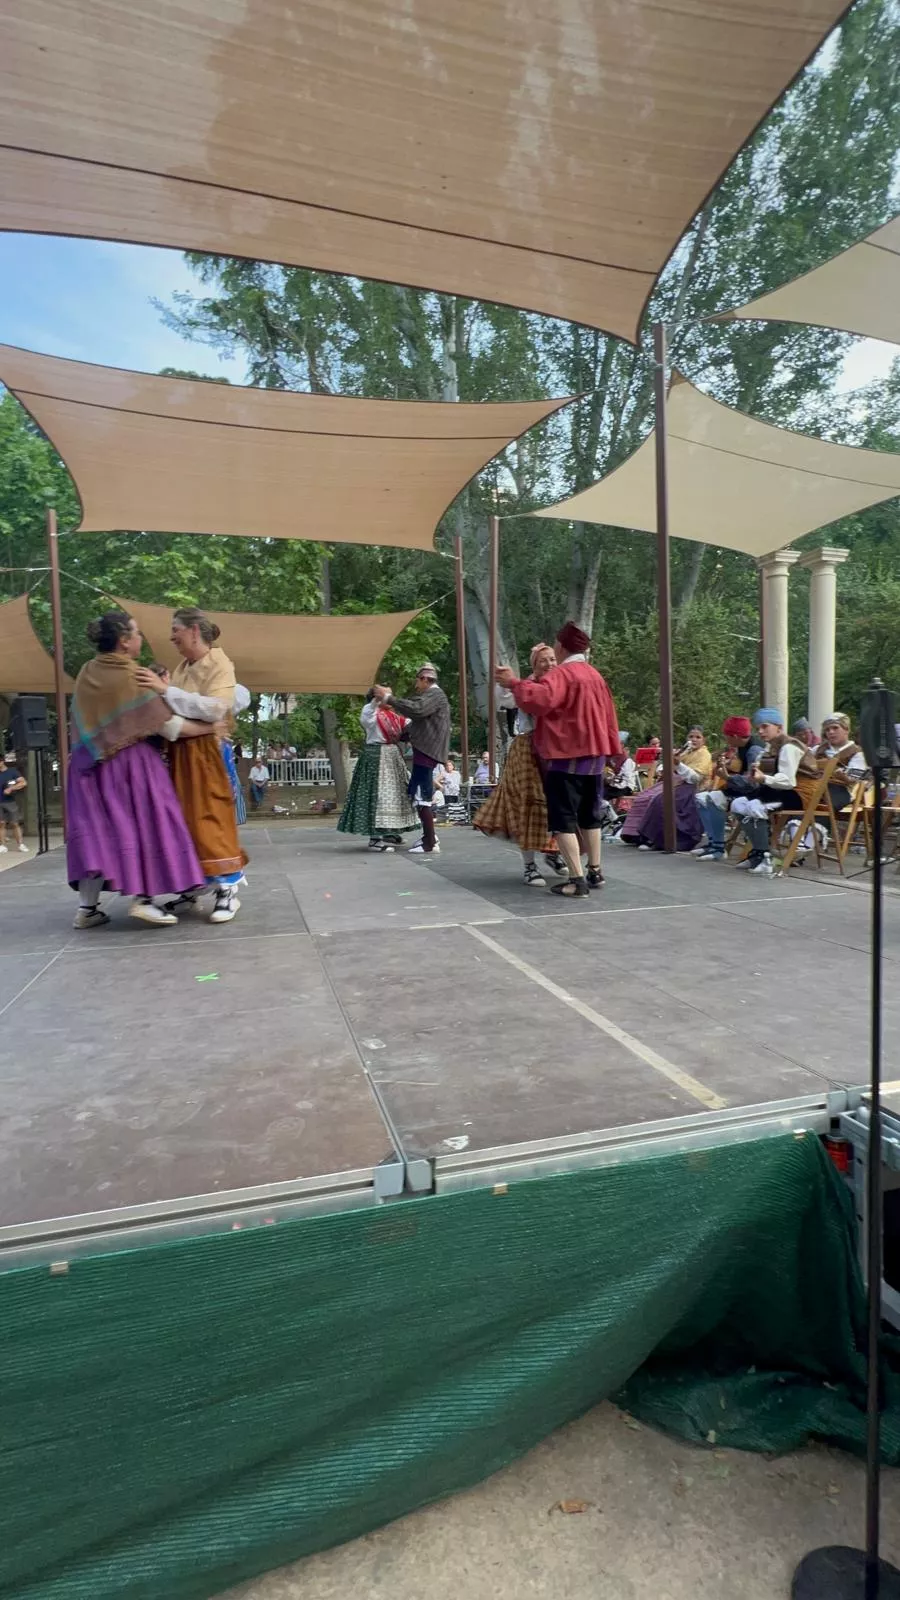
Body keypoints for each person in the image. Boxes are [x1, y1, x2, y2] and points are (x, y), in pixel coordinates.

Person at [65, 611, 212, 928]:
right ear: (124, 640)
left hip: (88, 767)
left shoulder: (87, 671)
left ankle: (87, 910)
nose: (142, 638)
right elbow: (169, 727)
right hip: (131, 766)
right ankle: (143, 899)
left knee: (99, 834)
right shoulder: (133, 675)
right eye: (138, 632)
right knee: (144, 824)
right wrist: (210, 726)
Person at [496, 621, 621, 898]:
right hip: (595, 756)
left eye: (554, 649)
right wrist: (614, 751)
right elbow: (610, 716)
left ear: (561, 647)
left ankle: (576, 881)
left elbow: (540, 700)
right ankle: (595, 870)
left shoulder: (564, 674)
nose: (552, 656)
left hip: (567, 755)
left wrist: (513, 682)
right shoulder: (594, 675)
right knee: (590, 816)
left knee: (562, 818)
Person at [138, 607, 248, 922]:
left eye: (176, 629)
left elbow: (217, 709)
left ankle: (228, 891)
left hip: (206, 754)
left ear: (194, 631)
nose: (171, 635)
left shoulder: (219, 663)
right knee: (183, 822)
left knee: (211, 818)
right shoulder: (185, 666)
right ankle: (192, 888)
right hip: (180, 754)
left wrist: (164, 691)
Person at [475, 643, 568, 886]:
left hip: (557, 749)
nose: (549, 664)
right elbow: (504, 700)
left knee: (558, 804)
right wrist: (504, 681)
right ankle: (529, 866)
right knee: (529, 805)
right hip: (529, 749)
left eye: (551, 659)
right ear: (534, 666)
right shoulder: (527, 686)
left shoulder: (562, 683)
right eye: (542, 661)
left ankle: (553, 851)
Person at [730, 706, 820, 876]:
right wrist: (755, 776)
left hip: (799, 794)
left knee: (755, 807)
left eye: (765, 726)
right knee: (738, 803)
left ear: (779, 727)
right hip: (779, 791)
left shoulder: (789, 747)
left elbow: (788, 781)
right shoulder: (769, 747)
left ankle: (766, 858)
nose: (761, 731)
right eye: (758, 728)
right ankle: (758, 853)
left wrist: (763, 778)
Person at [375, 663, 450, 856]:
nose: (417, 685)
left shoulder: (435, 695)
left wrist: (389, 698)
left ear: (425, 679)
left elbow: (417, 710)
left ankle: (429, 842)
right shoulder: (432, 696)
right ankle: (430, 837)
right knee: (419, 794)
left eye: (418, 680)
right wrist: (401, 734)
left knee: (420, 795)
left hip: (427, 751)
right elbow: (419, 721)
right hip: (425, 750)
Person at [336, 690, 418, 850]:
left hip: (392, 756)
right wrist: (377, 697)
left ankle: (388, 832)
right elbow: (370, 711)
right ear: (376, 699)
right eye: (386, 696)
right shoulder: (370, 713)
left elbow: (410, 723)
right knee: (377, 795)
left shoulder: (392, 716)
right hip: (376, 757)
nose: (390, 699)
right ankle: (375, 838)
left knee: (395, 795)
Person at [620, 726, 713, 852]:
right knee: (644, 796)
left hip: (692, 788)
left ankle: (656, 839)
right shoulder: (686, 752)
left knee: (660, 800)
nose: (694, 739)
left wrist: (678, 764)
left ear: (704, 740)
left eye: (698, 737)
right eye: (691, 736)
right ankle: (638, 836)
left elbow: (695, 778)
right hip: (677, 783)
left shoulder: (704, 754)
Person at [694, 716, 764, 861]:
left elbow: (753, 782)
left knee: (713, 798)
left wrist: (728, 778)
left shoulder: (754, 750)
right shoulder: (742, 748)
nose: (726, 740)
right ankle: (714, 843)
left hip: (755, 793)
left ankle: (719, 848)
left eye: (727, 736)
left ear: (736, 736)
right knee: (701, 798)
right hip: (742, 790)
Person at [817, 713, 867, 813]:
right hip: (814, 787)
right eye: (827, 729)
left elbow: (853, 778)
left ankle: (817, 827)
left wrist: (839, 774)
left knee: (824, 804)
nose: (831, 732)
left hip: (840, 791)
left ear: (846, 730)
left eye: (835, 728)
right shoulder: (817, 749)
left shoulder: (858, 753)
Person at [0, 751, 28, 854]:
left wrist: (11, 788)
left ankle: (20, 844)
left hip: (10, 801)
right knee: (1, 823)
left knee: (15, 823)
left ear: (2, 762)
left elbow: (23, 782)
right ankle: (2, 845)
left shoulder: (12, 772)